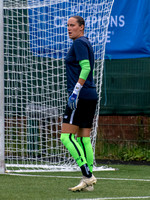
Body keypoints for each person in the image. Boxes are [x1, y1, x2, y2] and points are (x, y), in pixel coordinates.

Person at [60, 16, 98, 192]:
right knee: (83, 138)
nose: (69, 28)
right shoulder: (86, 42)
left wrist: (75, 91)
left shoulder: (79, 43)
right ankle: (87, 182)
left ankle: (88, 175)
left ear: (81, 27)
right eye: (67, 25)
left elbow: (86, 68)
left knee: (66, 137)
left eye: (72, 25)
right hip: (90, 95)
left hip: (80, 96)